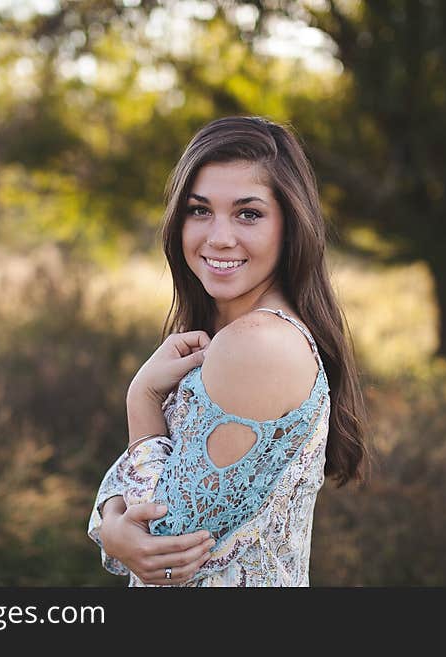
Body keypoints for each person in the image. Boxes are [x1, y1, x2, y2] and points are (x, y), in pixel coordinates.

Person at [87, 115, 370, 586]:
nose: (218, 237)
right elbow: (142, 522)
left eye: (248, 213)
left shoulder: (258, 345)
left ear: (290, 224)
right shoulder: (231, 334)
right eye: (200, 210)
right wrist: (111, 522)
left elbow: (163, 544)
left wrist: (142, 399)